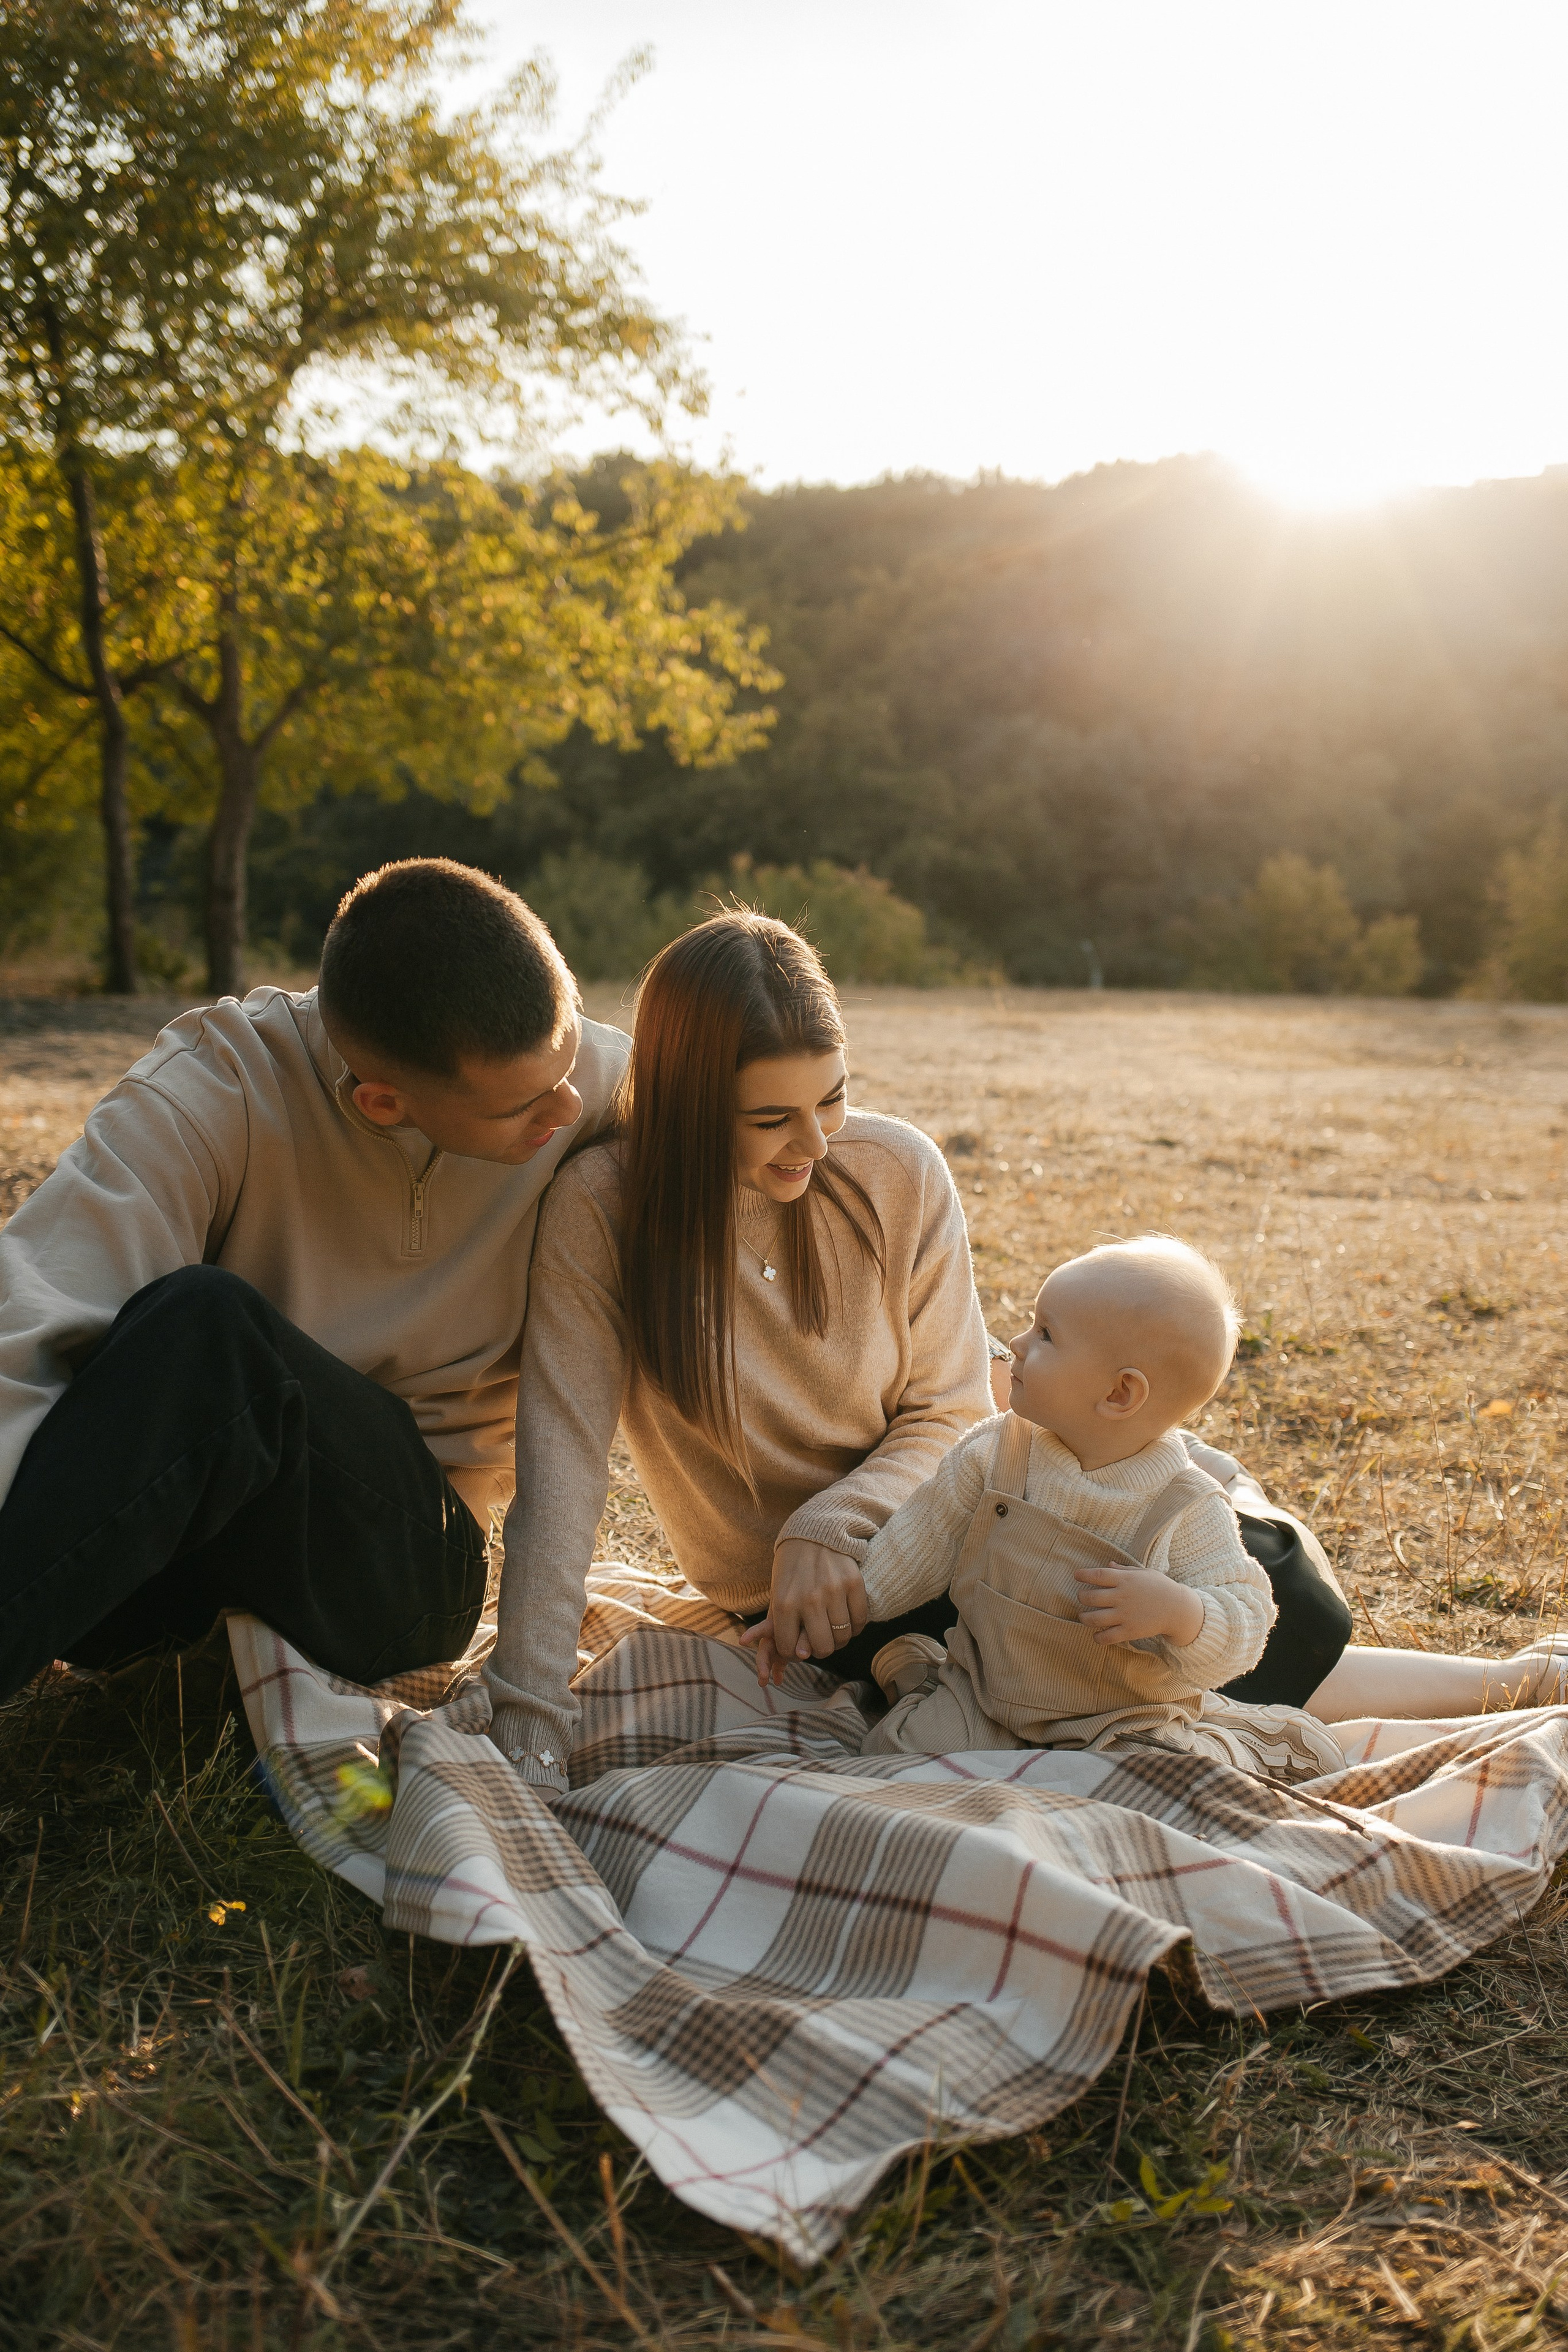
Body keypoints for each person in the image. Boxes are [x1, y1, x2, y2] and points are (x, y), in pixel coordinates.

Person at [0, 858, 628, 1699]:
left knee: (215, 1332)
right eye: (521, 1109)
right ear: (382, 1102)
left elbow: (785, 1131)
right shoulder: (217, 1082)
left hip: (403, 1576)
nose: (563, 1110)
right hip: (170, 1556)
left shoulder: (606, 1090)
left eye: (566, 1066)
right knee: (202, 1327)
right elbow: (36, 1313)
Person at [485, 911, 995, 1787]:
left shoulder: (898, 1169)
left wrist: (829, 1523)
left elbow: (953, 1407)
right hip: (809, 1612)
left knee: (1213, 1562)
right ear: (689, 1105)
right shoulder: (602, 1211)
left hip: (952, 1522)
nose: (818, 1142)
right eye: (772, 1118)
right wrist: (529, 1721)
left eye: (832, 1098)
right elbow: (562, 1465)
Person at [849, 1236, 1346, 1781]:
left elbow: (1248, 1619)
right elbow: (921, 1539)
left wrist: (1182, 1613)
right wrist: (851, 1603)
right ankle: (921, 1671)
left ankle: (1260, 1743)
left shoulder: (1185, 1506)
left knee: (1165, 1783)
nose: (1014, 1343)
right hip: (986, 1690)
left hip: (1120, 1719)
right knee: (891, 1765)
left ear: (1119, 1394)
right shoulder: (997, 1450)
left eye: (1045, 1334)